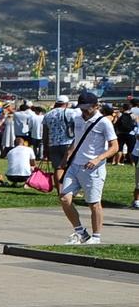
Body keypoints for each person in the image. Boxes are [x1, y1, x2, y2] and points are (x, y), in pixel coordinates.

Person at [57, 91, 117, 245]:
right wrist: (66, 158)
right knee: (65, 198)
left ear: (96, 106)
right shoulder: (78, 119)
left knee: (94, 203)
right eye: (82, 108)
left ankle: (96, 237)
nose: (84, 111)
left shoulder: (104, 122)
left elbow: (114, 147)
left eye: (87, 108)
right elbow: (76, 142)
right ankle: (80, 232)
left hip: (93, 169)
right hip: (75, 165)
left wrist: (98, 159)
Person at [42, 99, 78, 174]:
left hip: (53, 144)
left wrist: (45, 148)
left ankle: (59, 186)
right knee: (70, 167)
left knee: (58, 168)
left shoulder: (48, 114)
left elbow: (45, 133)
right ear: (67, 104)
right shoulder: (71, 112)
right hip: (68, 142)